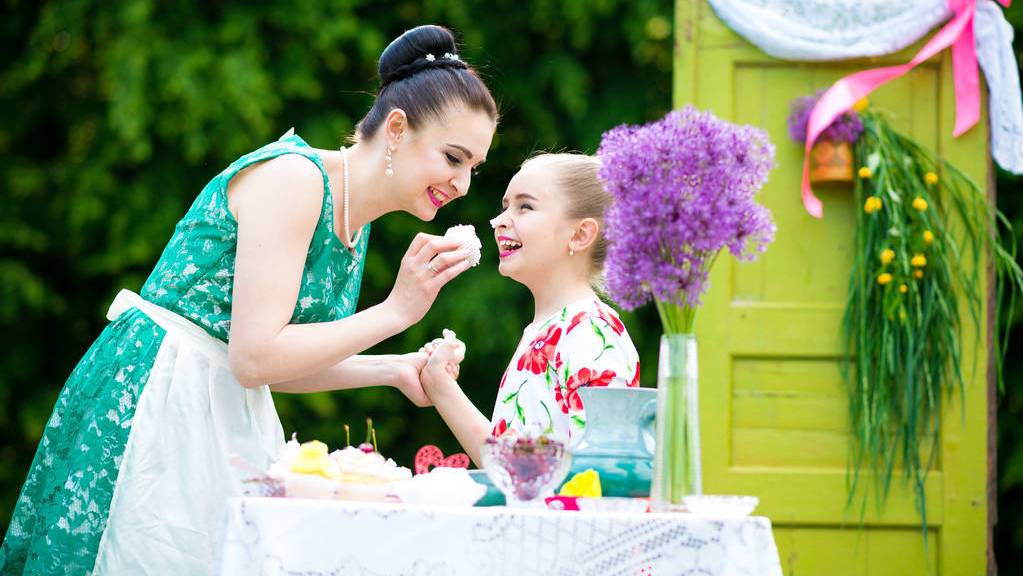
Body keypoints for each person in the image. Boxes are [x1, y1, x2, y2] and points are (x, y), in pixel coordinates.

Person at [0, 24, 497, 575]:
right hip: (160, 396)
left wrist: (393, 369)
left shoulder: (357, 218)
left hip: (225, 404)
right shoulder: (296, 180)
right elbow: (253, 357)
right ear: (398, 128)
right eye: (454, 158)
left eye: (473, 168)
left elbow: (271, 362)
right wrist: (395, 313)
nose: (463, 184)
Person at [419, 153, 640, 466]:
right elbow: (513, 469)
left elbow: (599, 472)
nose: (500, 221)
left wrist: (440, 386)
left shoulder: (590, 332)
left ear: (580, 234)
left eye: (525, 207)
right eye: (505, 206)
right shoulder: (551, 328)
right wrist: (439, 383)